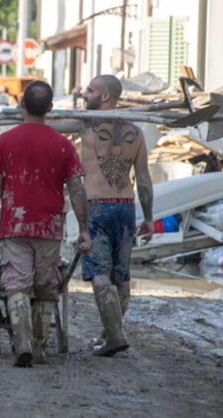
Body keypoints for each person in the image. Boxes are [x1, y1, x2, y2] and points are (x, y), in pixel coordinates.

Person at [0, 81, 91, 367]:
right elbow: (77, 189)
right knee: (45, 286)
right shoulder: (63, 144)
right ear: (51, 109)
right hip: (49, 226)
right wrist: (84, 229)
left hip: (14, 225)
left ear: (22, 106)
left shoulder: (5, 141)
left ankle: (22, 343)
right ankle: (39, 348)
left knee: (16, 285)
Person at [79, 75, 154, 356]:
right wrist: (148, 217)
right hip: (125, 206)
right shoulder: (135, 131)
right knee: (121, 276)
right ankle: (110, 332)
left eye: (90, 90)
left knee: (100, 273)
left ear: (106, 97)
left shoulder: (86, 125)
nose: (84, 94)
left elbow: (47, 121)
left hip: (97, 206)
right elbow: (143, 180)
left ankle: (114, 335)